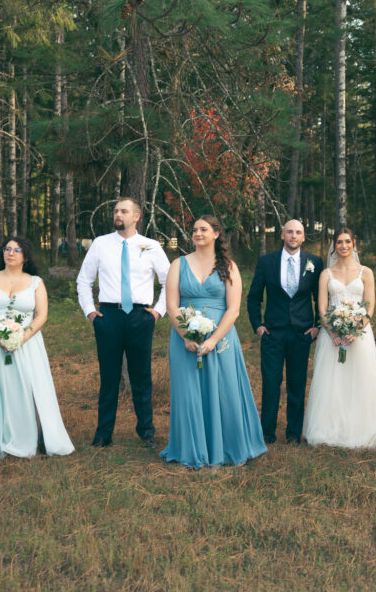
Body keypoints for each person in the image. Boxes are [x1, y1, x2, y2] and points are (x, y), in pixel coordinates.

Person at [160, 216, 267, 468]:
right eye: (194, 230)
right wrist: (186, 336)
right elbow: (171, 305)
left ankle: (226, 446)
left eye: (203, 229)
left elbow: (233, 309)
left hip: (221, 339)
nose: (197, 234)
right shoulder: (178, 264)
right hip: (183, 338)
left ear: (216, 233)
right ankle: (192, 448)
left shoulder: (228, 266)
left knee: (224, 391)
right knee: (188, 393)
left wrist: (213, 340)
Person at [76, 197, 170, 449]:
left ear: (136, 217)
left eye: (124, 211)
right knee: (108, 377)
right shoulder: (100, 244)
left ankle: (146, 432)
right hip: (109, 317)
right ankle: (103, 433)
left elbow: (169, 281)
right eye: (116, 211)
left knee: (142, 376)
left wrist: (158, 312)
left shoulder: (150, 246)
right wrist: (90, 312)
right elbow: (84, 281)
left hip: (141, 316)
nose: (118, 215)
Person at [0, 237, 74, 459]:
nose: (10, 253)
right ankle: (1, 437)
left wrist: (22, 337)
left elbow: (42, 315)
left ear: (25, 257)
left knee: (31, 387)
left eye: (16, 250)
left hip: (28, 344)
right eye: (7, 248)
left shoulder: (35, 282)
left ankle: (37, 437)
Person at [302, 228, 376, 449]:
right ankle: (331, 429)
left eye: (347, 241)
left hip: (359, 335)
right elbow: (322, 308)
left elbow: (370, 306)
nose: (343, 246)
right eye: (339, 242)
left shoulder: (366, 272)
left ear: (354, 243)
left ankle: (364, 426)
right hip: (331, 336)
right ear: (334, 246)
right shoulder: (326, 274)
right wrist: (334, 333)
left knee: (361, 378)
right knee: (332, 382)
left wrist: (355, 331)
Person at [246, 219, 324, 444]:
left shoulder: (314, 262)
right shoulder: (266, 262)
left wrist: (317, 326)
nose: (293, 236)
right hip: (272, 332)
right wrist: (257, 325)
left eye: (298, 232)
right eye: (289, 232)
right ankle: (267, 433)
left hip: (302, 333)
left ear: (303, 237)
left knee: (297, 384)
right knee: (271, 383)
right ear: (282, 235)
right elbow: (254, 297)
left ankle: (293, 434)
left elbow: (320, 297)